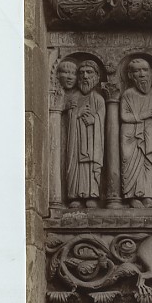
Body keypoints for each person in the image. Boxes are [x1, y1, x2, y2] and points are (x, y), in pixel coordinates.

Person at [120, 58, 152, 208]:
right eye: (137, 71)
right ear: (130, 75)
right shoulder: (128, 94)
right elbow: (124, 116)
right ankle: (132, 197)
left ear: (151, 73)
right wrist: (144, 115)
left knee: (149, 164)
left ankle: (148, 196)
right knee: (131, 165)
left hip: (149, 135)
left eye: (145, 70)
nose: (142, 74)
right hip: (131, 135)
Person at [64, 60, 105, 208]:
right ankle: (74, 195)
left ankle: (91, 195)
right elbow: (67, 120)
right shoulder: (73, 98)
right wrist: (77, 113)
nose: (85, 76)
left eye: (89, 72)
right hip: (76, 141)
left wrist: (94, 120)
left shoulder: (98, 99)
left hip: (92, 142)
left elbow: (102, 119)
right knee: (76, 165)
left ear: (97, 77)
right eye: (81, 73)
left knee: (90, 166)